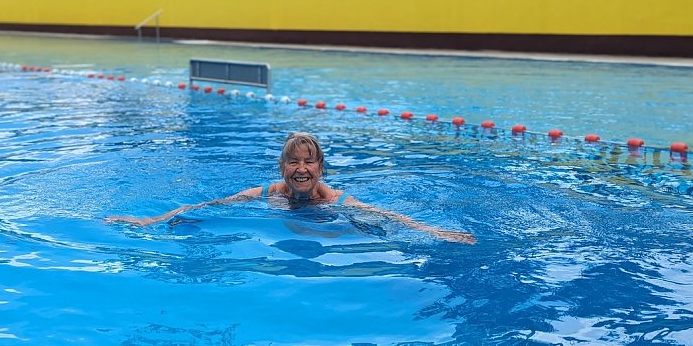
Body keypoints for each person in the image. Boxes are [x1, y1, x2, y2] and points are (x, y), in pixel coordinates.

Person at [107, 131, 476, 244]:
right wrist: (151, 220)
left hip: (329, 223)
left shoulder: (335, 199)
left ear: (320, 168)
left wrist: (433, 230)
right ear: (283, 168)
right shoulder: (267, 194)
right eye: (293, 162)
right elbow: (209, 205)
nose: (301, 168)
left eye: (309, 161)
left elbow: (385, 214)